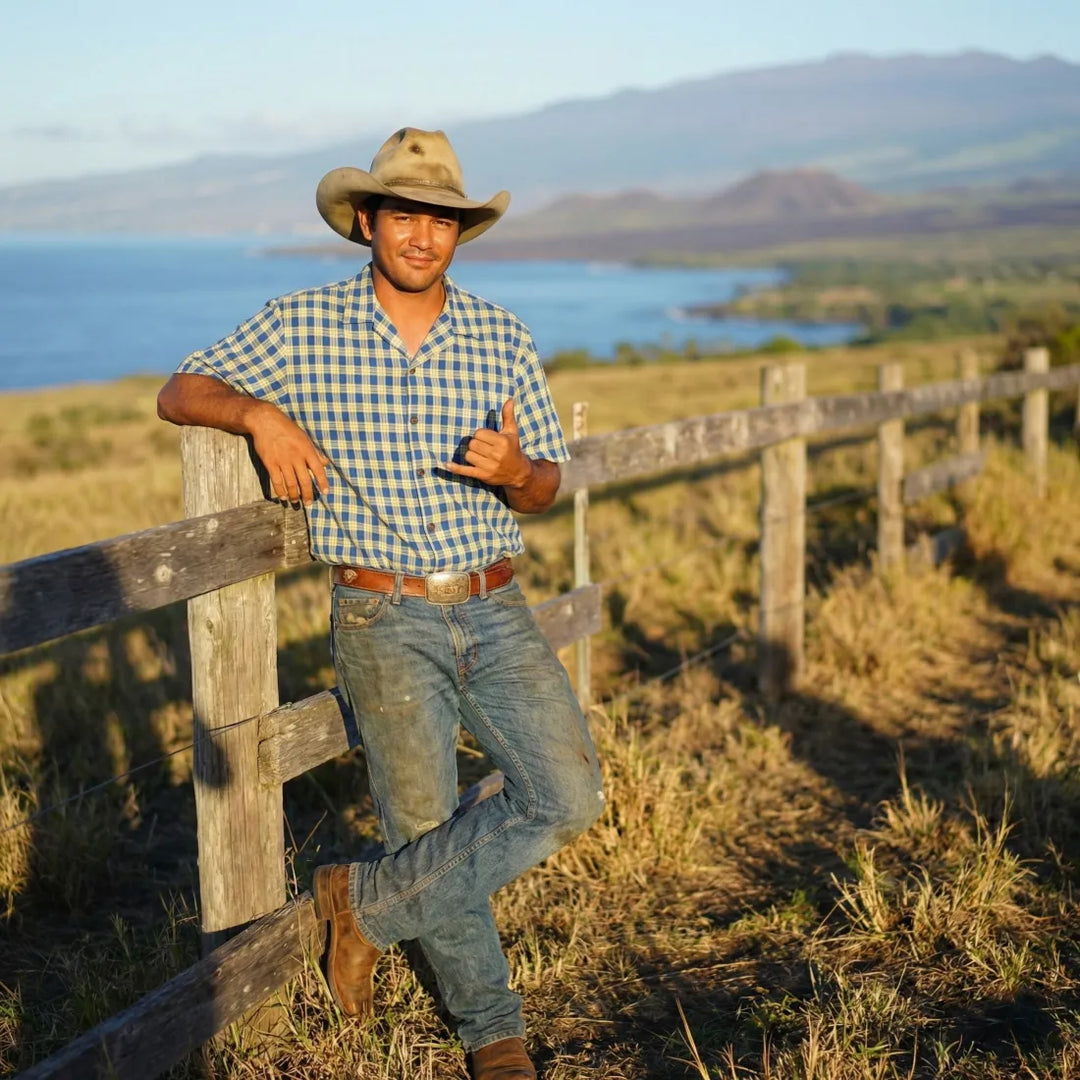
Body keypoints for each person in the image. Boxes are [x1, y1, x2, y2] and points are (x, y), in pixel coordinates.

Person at [157, 127, 603, 1080]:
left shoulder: (501, 335)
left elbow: (544, 489)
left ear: (459, 233)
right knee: (424, 825)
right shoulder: (298, 325)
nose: (422, 235)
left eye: (441, 219)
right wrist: (260, 414)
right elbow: (178, 389)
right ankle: (494, 1033)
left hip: (493, 602)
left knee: (567, 795)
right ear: (367, 222)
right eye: (404, 213)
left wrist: (521, 469)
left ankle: (361, 903)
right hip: (380, 613)